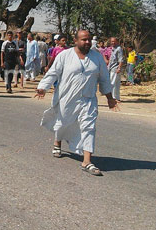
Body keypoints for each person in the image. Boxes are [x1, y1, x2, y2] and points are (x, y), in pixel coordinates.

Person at [35, 30, 119, 176]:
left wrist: (110, 98)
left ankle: (87, 161)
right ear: (75, 40)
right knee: (63, 122)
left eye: (88, 40)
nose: (87, 42)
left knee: (88, 127)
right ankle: (57, 142)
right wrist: (43, 87)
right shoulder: (64, 56)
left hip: (88, 99)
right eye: (83, 40)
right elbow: (53, 73)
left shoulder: (97, 58)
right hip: (66, 98)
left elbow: (104, 79)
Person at [108, 37, 124, 102]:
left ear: (117, 42)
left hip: (115, 68)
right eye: (111, 41)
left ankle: (114, 97)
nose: (113, 43)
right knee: (115, 83)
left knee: (113, 83)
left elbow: (121, 59)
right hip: (111, 68)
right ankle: (116, 97)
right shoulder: (113, 49)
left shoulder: (119, 49)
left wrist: (119, 68)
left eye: (114, 41)